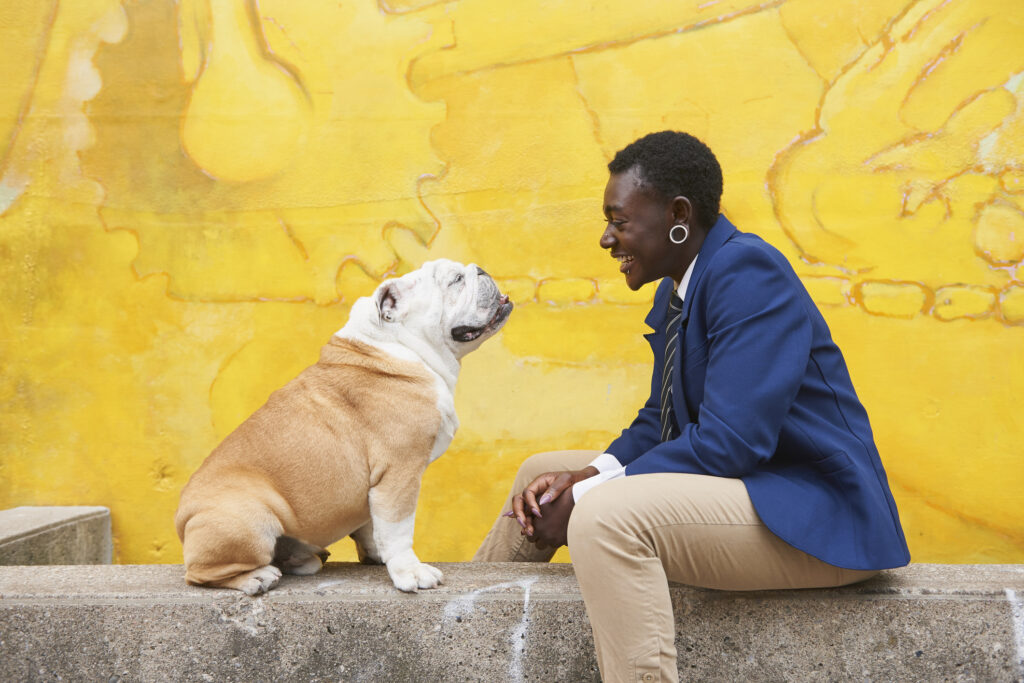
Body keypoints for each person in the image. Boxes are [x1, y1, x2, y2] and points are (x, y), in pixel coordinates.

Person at [474, 131, 910, 683]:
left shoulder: (749, 273)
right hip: (754, 491)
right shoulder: (681, 285)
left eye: (619, 220)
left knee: (604, 518)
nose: (607, 238)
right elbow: (660, 421)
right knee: (541, 478)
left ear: (678, 214)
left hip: (817, 515)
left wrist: (589, 494)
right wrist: (585, 475)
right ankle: (462, 647)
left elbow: (732, 443)